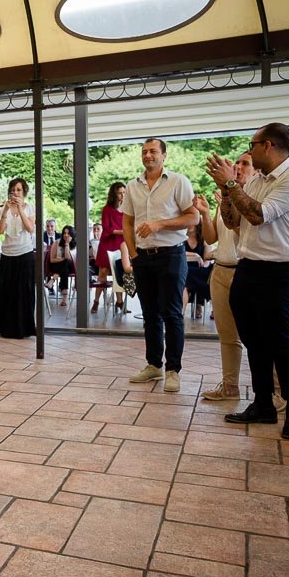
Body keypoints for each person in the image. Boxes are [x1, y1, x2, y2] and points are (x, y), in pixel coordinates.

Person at [206, 121, 289, 440]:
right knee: (254, 341)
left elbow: (258, 215)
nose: (249, 150)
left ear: (268, 146)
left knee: (279, 341)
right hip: (247, 268)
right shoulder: (256, 180)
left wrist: (231, 185)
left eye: (252, 145)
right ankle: (263, 404)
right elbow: (232, 220)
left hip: (279, 271)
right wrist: (227, 190)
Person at [122, 137, 198, 393]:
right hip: (143, 257)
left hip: (172, 255)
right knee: (150, 315)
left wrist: (159, 224)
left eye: (153, 151)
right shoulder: (133, 186)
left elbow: (193, 216)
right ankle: (153, 365)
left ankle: (173, 369)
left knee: (172, 313)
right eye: (144, 152)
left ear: (164, 155)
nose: (148, 155)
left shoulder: (178, 181)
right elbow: (127, 222)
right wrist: (133, 254)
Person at [0, 177, 36, 339]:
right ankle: (5, 327)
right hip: (7, 254)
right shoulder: (6, 208)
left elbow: (30, 228)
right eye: (13, 190)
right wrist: (5, 211)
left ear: (24, 191)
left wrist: (20, 209)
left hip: (24, 253)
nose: (16, 193)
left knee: (23, 292)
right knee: (7, 292)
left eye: (18, 190)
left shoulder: (29, 208)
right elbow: (0, 230)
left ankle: (24, 328)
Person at [93, 182, 126, 313]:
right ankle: (96, 302)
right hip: (107, 243)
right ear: (114, 194)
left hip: (121, 244)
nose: (122, 195)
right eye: (119, 192)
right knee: (102, 273)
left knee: (119, 273)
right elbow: (107, 228)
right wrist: (123, 231)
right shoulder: (107, 209)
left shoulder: (127, 209)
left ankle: (120, 302)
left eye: (124, 192)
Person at [183, 220, 213, 318]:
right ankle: (198, 304)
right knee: (185, 274)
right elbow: (178, 253)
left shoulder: (204, 238)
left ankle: (198, 304)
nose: (189, 225)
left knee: (203, 274)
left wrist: (202, 264)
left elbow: (207, 260)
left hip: (200, 269)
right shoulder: (181, 238)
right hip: (186, 268)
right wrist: (195, 255)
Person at [47, 225, 77, 307]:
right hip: (56, 266)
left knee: (66, 262)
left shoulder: (75, 244)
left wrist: (67, 244)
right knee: (65, 266)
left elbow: (69, 258)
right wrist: (63, 259)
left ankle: (53, 280)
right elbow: (52, 260)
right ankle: (65, 298)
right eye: (64, 233)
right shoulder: (57, 242)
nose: (66, 235)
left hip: (71, 267)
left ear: (72, 235)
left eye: (68, 234)